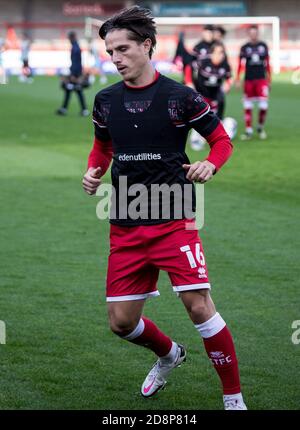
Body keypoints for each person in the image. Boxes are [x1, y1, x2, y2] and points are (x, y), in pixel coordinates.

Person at [82, 6, 247, 410]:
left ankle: (233, 397)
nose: (116, 58)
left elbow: (221, 141)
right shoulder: (105, 101)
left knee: (199, 305)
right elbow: (103, 146)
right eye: (110, 51)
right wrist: (93, 170)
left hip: (174, 219)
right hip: (124, 221)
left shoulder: (181, 98)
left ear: (147, 45)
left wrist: (211, 162)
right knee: (121, 323)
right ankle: (170, 353)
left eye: (123, 49)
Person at [185, 42, 233, 150]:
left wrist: (228, 84)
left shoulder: (225, 65)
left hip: (217, 96)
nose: (220, 55)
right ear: (211, 54)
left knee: (216, 119)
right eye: (217, 53)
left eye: (222, 53)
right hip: (202, 95)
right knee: (201, 119)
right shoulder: (203, 62)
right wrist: (189, 82)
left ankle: (218, 139)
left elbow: (229, 77)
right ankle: (196, 139)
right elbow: (189, 68)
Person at [236, 25, 271, 140]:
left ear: (258, 34)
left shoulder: (263, 46)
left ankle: (260, 127)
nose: (253, 35)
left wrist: (269, 80)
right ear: (249, 34)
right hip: (249, 80)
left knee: (263, 106)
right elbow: (240, 65)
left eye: (255, 33)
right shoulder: (245, 47)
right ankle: (248, 131)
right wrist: (238, 78)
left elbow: (268, 64)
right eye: (251, 33)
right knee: (248, 105)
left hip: (261, 80)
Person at [56, 32, 89, 116]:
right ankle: (66, 109)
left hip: (75, 73)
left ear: (72, 37)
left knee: (76, 90)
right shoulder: (76, 46)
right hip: (76, 72)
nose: (69, 40)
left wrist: (74, 75)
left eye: (69, 38)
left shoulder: (75, 48)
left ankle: (84, 110)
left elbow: (76, 63)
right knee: (71, 90)